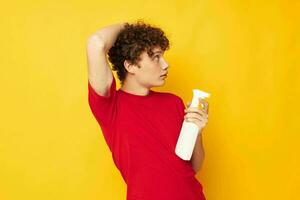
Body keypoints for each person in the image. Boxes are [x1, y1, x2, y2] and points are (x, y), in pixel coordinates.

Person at [86, 20, 209, 200]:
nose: (165, 64)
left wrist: (197, 132)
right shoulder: (110, 106)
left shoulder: (173, 102)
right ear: (130, 66)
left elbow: (193, 167)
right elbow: (96, 42)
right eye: (156, 57)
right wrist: (128, 27)